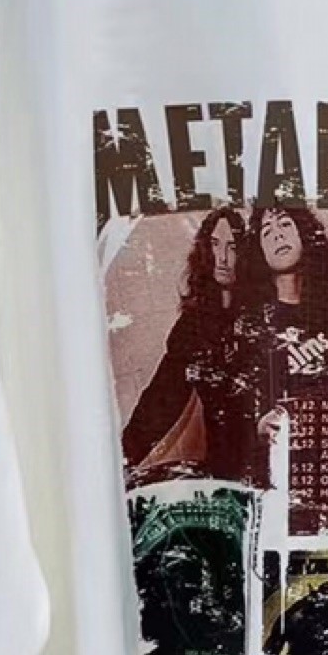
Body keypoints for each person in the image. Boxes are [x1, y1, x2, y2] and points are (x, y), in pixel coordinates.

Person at [120, 205, 252, 481]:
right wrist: (125, 455)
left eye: (232, 247)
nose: (222, 258)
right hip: (220, 466)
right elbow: (161, 396)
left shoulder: (261, 316)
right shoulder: (193, 326)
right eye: (215, 245)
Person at [230, 200, 328, 486]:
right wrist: (258, 426)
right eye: (267, 231)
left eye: (285, 224)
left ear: (304, 233)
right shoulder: (249, 323)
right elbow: (234, 407)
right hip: (280, 470)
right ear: (259, 251)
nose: (277, 235)